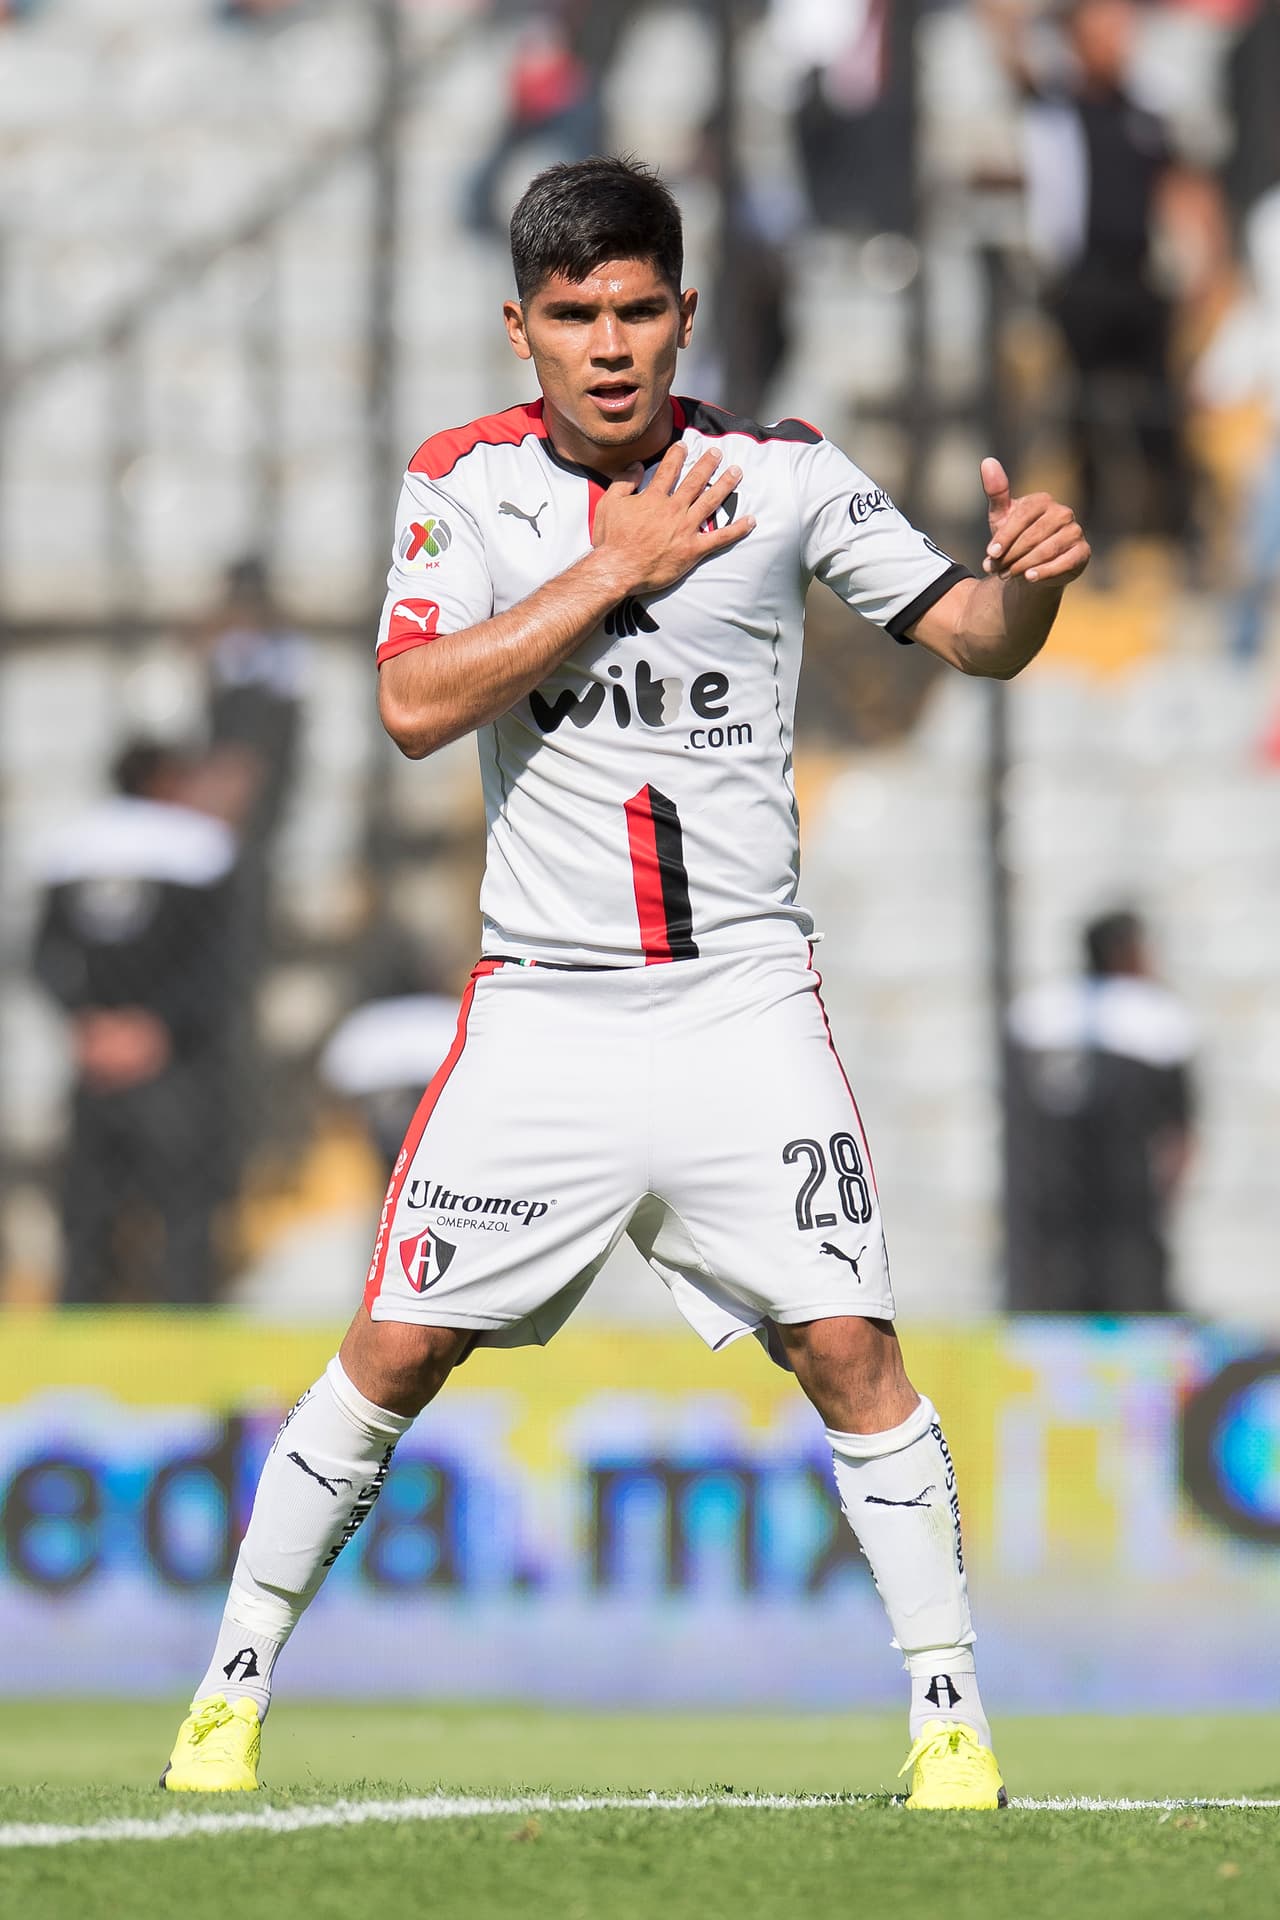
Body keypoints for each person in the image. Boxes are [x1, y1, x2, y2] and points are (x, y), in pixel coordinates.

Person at [162, 155, 1089, 1809]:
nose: (609, 345)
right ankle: (228, 1692)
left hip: (740, 998)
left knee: (851, 1347)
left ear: (685, 314)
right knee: (391, 1348)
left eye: (639, 309)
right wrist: (614, 570)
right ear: (519, 326)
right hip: (547, 1010)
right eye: (575, 315)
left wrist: (1031, 585)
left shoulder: (784, 476)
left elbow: (973, 639)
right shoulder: (462, 485)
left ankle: (951, 1723)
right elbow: (414, 704)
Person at [32, 743, 238, 1304]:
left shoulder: (72, 849)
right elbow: (218, 960)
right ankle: (185, 1327)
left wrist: (87, 1023)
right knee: (184, 1210)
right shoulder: (200, 850)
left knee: (88, 1210)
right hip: (171, 1063)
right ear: (164, 781)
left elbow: (43, 956)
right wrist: (154, 1029)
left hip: (96, 1057)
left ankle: (77, 1338)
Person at [1006, 909, 1196, 1313]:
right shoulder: (1156, 1017)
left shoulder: (1039, 1014)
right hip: (1128, 1213)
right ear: (1125, 953)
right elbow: (1179, 1131)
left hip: (1049, 1219)